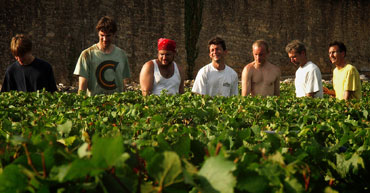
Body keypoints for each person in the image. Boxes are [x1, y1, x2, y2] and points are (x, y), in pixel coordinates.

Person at [73, 16, 130, 96]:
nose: (105, 39)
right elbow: (82, 85)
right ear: (98, 34)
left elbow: (123, 83)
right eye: (102, 35)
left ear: (113, 35)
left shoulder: (121, 55)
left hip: (117, 105)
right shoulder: (87, 54)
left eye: (108, 35)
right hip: (94, 105)